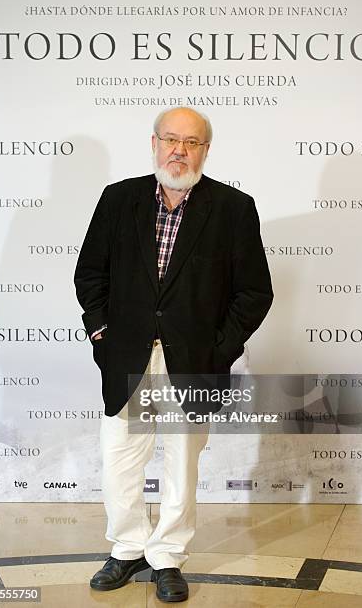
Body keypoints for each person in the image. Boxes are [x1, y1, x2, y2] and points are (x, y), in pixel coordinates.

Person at [74, 107, 273, 603]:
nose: (179, 150)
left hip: (192, 363)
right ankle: (126, 549)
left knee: (182, 463)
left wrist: (219, 350)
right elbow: (89, 275)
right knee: (121, 458)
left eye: (191, 142)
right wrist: (102, 333)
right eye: (170, 139)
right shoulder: (118, 199)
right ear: (154, 143)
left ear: (206, 149)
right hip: (128, 357)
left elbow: (254, 292)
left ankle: (167, 557)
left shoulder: (233, 208)